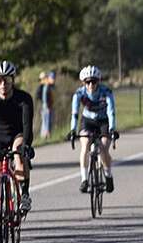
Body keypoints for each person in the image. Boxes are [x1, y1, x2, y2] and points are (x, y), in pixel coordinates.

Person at [0, 60, 35, 234]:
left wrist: (27, 145)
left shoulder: (24, 98)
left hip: (17, 135)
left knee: (19, 153)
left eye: (7, 80)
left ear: (13, 80)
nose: (3, 84)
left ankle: (24, 194)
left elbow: (27, 126)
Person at [69, 64, 118, 193]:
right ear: (83, 82)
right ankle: (84, 179)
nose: (91, 85)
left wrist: (112, 129)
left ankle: (108, 175)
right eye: (88, 82)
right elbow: (75, 113)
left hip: (103, 121)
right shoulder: (79, 93)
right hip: (88, 121)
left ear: (98, 81)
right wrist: (73, 130)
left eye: (94, 81)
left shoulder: (106, 92)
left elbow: (111, 112)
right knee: (85, 146)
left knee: (103, 148)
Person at [38, 70, 57, 139]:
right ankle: (47, 137)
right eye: (52, 78)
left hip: (47, 107)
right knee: (47, 123)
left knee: (46, 122)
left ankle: (45, 137)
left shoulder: (49, 86)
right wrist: (48, 106)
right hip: (47, 107)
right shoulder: (47, 86)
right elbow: (45, 97)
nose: (54, 80)